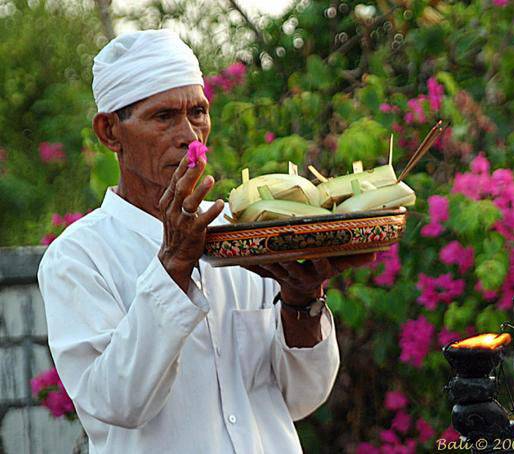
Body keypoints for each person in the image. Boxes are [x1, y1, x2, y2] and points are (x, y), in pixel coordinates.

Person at [37, 29, 375, 453]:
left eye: (198, 112)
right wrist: (173, 266)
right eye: (164, 116)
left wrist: (301, 301)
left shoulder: (247, 232)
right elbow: (119, 402)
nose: (189, 134)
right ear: (110, 132)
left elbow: (302, 398)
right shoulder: (79, 257)